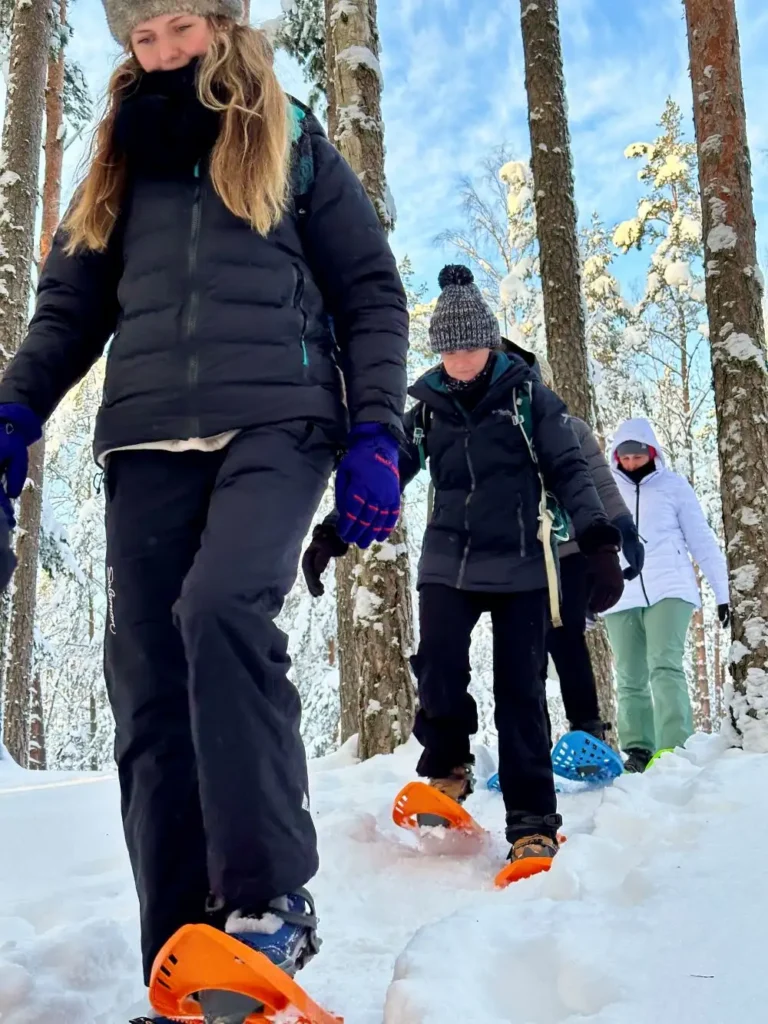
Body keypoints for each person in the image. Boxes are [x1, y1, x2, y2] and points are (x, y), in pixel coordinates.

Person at [0, 4, 408, 1017]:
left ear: (221, 23)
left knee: (220, 609)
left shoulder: (290, 132)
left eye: (182, 25)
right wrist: (12, 415)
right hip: (146, 439)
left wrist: (378, 432)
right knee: (145, 682)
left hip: (279, 418)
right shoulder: (115, 160)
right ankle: (185, 958)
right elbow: (68, 311)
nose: (168, 51)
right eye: (145, 37)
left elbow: (368, 290)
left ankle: (269, 898)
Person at [303, 265, 625, 874]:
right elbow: (383, 478)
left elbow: (570, 471)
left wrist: (600, 542)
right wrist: (333, 533)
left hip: (524, 566)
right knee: (441, 670)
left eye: (470, 347)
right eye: (449, 350)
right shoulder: (426, 408)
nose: (460, 360)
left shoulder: (529, 396)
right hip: (449, 561)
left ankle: (533, 824)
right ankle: (448, 772)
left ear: (492, 343)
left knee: (519, 693)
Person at [602, 418, 729, 773]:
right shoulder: (607, 489)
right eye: (623, 456)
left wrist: (723, 592)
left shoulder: (674, 486)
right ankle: (639, 748)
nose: (630, 462)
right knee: (629, 673)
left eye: (637, 454)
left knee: (664, 664)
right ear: (615, 457)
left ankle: (674, 746)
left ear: (651, 451)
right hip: (622, 592)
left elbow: (700, 539)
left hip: (670, 588)